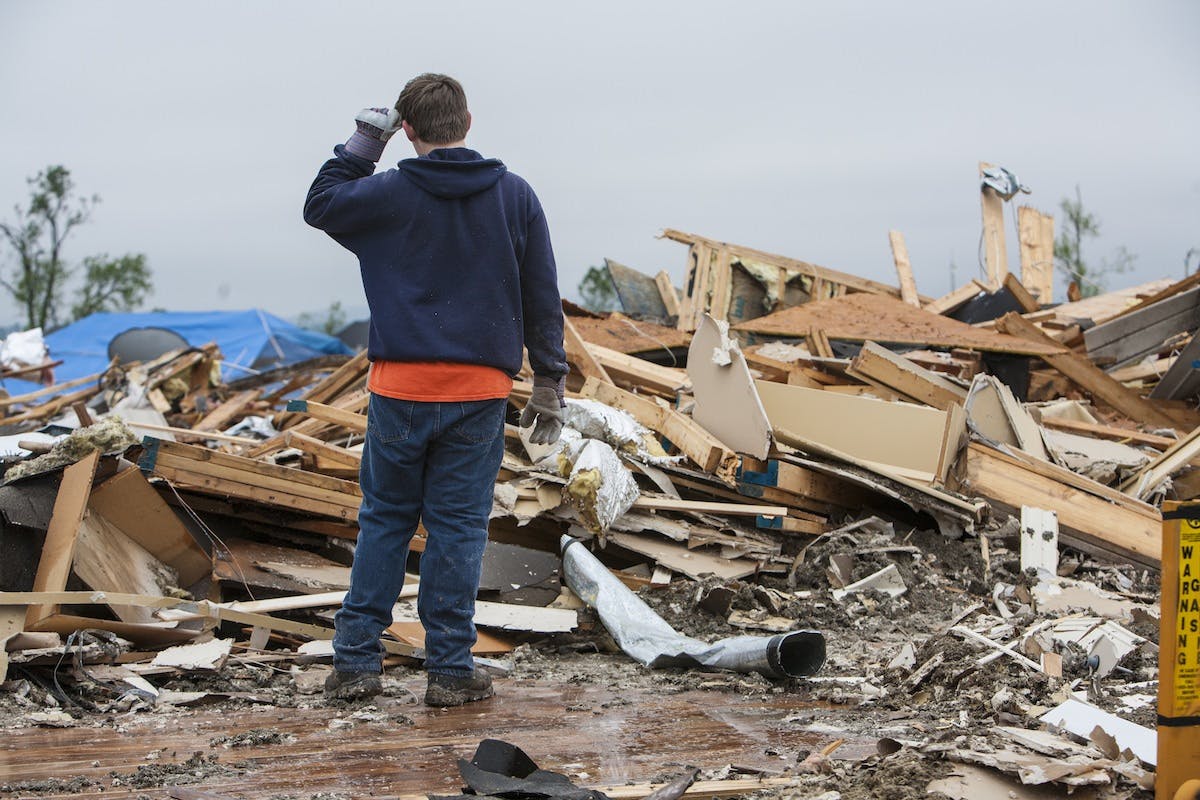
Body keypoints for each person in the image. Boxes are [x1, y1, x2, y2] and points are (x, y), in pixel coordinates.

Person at [303, 73, 568, 707]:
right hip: (479, 393)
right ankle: (450, 670)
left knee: (385, 523)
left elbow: (322, 202)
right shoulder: (515, 196)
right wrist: (550, 383)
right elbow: (541, 294)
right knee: (457, 530)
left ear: (408, 132)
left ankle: (356, 665)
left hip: (400, 390)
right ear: (468, 123)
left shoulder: (387, 192)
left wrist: (365, 141)